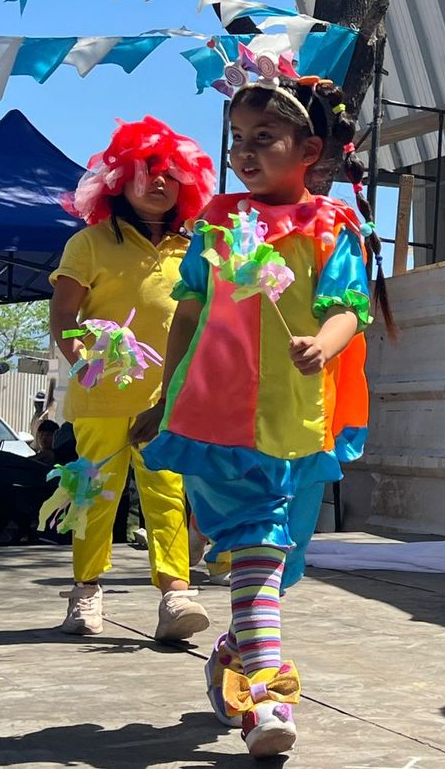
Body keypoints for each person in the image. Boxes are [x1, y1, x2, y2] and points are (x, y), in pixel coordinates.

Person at [133, 73, 389, 757]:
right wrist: (162, 399)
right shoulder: (220, 220)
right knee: (257, 556)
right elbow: (189, 310)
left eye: (264, 138)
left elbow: (347, 310)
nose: (245, 151)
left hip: (296, 424)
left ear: (308, 148)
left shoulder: (333, 226)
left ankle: (232, 650)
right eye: (238, 139)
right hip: (215, 424)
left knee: (276, 568)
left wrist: (322, 344)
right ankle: (270, 704)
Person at [49, 116, 217, 641]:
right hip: (99, 398)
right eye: (148, 171)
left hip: (167, 402)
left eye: (171, 172)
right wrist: (85, 365)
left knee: (167, 496)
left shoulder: (194, 248)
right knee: (93, 495)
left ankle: (175, 597)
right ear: (120, 179)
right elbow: (63, 317)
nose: (160, 181)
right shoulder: (90, 243)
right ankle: (86, 591)